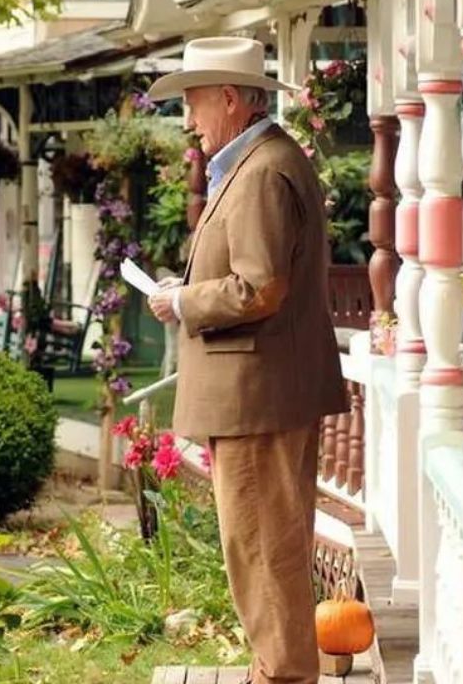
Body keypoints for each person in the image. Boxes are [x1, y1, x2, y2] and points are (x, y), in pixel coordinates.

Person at [145, 37, 348, 684]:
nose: (190, 120)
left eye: (195, 102)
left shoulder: (261, 170)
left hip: (260, 395)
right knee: (264, 542)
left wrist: (182, 301)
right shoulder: (256, 162)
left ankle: (283, 674)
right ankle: (279, 667)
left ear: (230, 100)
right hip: (258, 392)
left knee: (263, 544)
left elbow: (259, 288)